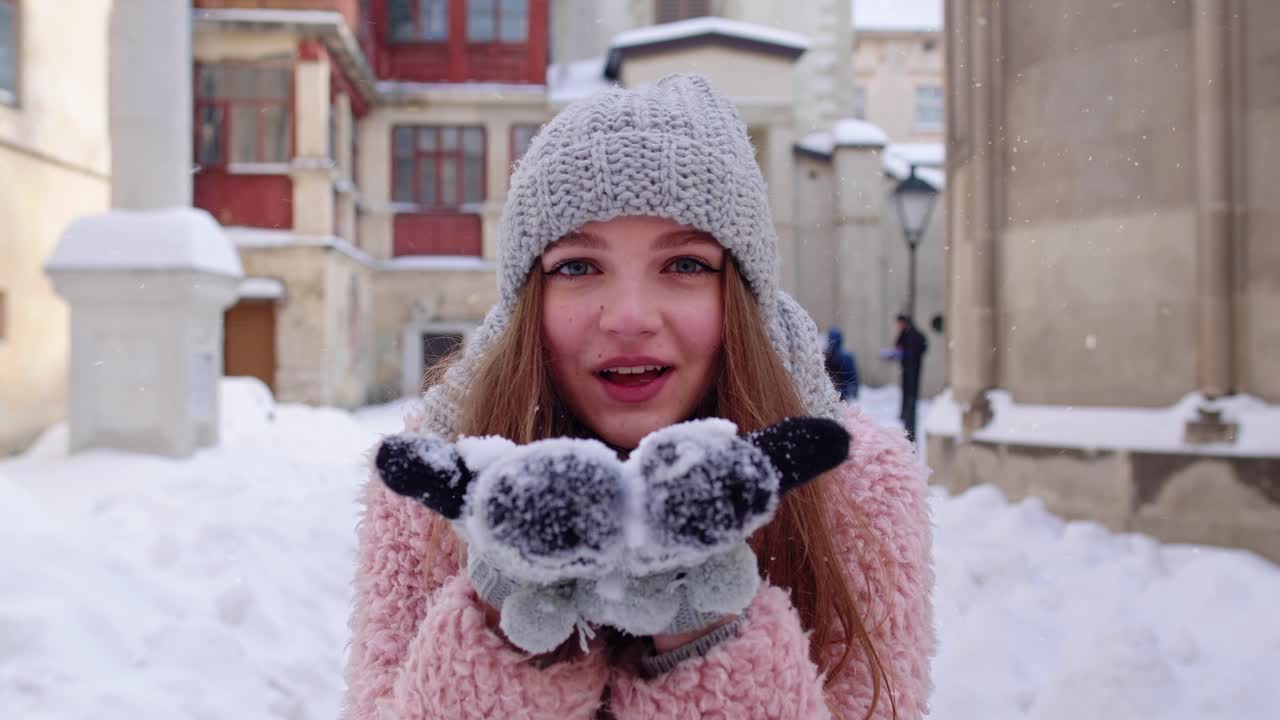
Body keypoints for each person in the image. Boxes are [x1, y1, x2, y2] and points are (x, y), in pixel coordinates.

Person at [343, 75, 933, 720]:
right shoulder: (433, 485)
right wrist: (510, 621)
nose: (628, 317)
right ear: (527, 303)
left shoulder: (851, 487)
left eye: (685, 265)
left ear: (740, 296)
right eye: (576, 266)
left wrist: (702, 635)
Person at [891, 314, 928, 443]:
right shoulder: (906, 334)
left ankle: (910, 434)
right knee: (908, 403)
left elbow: (920, 348)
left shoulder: (914, 335)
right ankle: (908, 431)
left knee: (911, 404)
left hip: (912, 374)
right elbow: (898, 345)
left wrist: (907, 355)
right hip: (907, 374)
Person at [825, 327, 860, 401]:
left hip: (840, 391)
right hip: (831, 391)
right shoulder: (826, 355)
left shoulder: (845, 357)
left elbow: (852, 375)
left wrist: (854, 388)